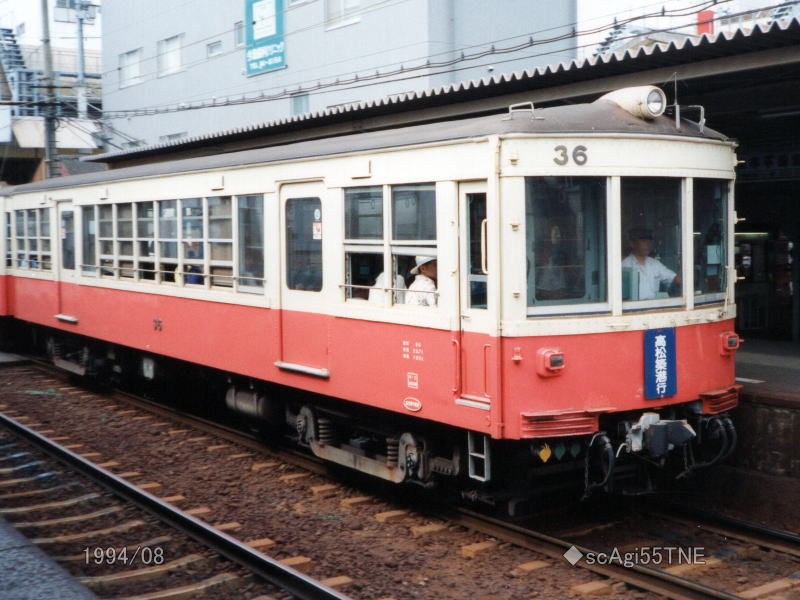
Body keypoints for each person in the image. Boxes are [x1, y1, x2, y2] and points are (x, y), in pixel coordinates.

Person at [622, 228, 681, 300]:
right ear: (632, 244)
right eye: (643, 241)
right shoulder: (625, 265)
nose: (647, 245)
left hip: (653, 306)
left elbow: (674, 278)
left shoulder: (655, 264)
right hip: (634, 308)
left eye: (649, 242)